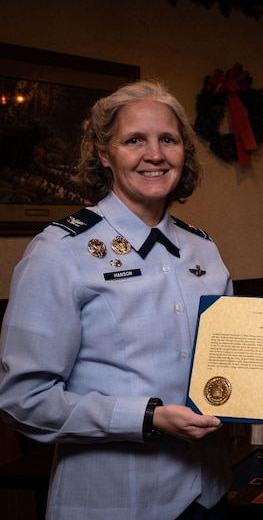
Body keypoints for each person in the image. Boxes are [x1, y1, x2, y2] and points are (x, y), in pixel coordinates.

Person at [0, 80, 233, 520]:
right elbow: (23, 399)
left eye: (168, 139)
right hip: (115, 501)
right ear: (105, 154)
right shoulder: (60, 251)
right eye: (134, 141)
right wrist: (145, 418)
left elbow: (230, 362)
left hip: (208, 493)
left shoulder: (203, 249)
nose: (155, 154)